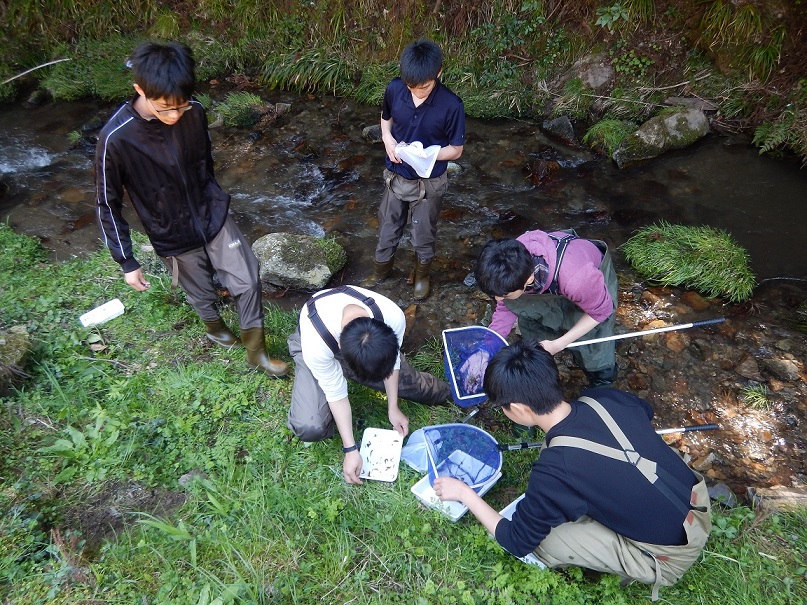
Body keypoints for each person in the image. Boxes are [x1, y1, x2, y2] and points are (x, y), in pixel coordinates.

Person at [433, 341, 711, 601]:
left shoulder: (555, 470)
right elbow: (645, 412)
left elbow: (517, 540)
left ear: (517, 408)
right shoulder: (604, 397)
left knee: (548, 542)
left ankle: (641, 565)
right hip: (696, 501)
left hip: (670, 553)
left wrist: (466, 494)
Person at [95, 41, 287, 376]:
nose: (173, 116)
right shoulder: (116, 138)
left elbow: (204, 162)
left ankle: (257, 352)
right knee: (199, 291)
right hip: (170, 229)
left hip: (210, 213)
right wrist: (126, 259)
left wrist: (212, 194)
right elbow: (107, 202)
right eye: (164, 108)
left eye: (179, 108)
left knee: (248, 280)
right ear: (140, 89)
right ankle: (215, 329)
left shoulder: (194, 111)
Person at [287, 285, 451, 483]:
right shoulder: (316, 345)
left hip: (360, 346)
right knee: (310, 426)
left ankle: (454, 394)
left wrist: (393, 406)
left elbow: (393, 363)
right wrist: (350, 449)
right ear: (341, 348)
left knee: (416, 386)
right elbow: (335, 393)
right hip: (313, 345)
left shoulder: (391, 316)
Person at [361, 38, 465, 300]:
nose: (418, 92)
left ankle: (422, 275)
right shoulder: (395, 89)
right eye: (412, 87)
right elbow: (386, 119)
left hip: (430, 182)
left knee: (423, 232)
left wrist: (428, 155)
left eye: (425, 87)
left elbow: (456, 149)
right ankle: (381, 270)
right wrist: (388, 139)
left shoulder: (452, 105)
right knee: (388, 226)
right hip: (396, 175)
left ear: (438, 73)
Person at [474, 228, 618, 387]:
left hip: (588, 285)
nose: (498, 299)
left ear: (528, 279)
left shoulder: (578, 280)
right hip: (555, 285)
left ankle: (601, 380)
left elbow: (602, 311)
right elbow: (506, 307)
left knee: (594, 349)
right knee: (533, 340)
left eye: (504, 294)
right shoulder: (510, 262)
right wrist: (486, 348)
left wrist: (559, 344)